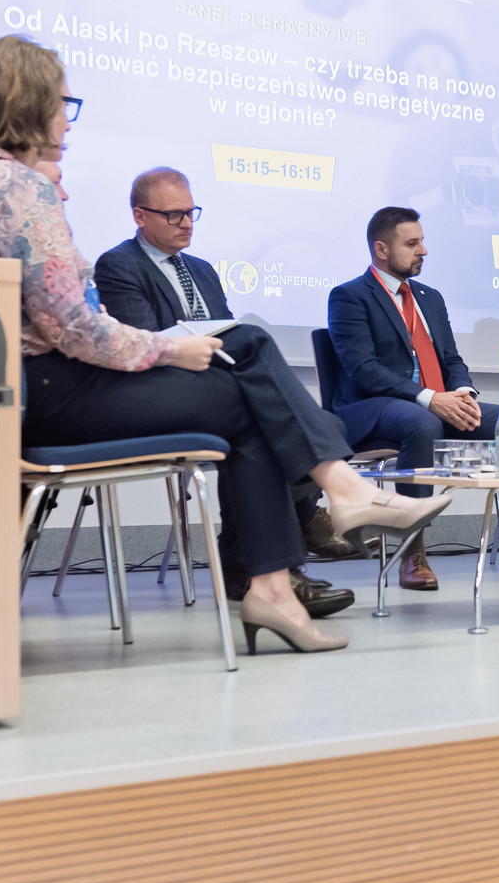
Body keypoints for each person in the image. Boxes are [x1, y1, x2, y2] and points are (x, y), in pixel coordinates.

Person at [0, 34, 452, 655]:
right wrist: (172, 351)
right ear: (31, 102)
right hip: (54, 392)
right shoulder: (19, 189)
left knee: (248, 373)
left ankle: (297, 555)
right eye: (64, 103)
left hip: (16, 394)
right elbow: (76, 329)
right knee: (250, 375)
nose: (67, 118)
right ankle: (319, 523)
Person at [92, 167, 360, 617]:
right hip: (162, 391)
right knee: (271, 422)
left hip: (217, 387)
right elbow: (146, 343)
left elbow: (225, 335)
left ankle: (255, 567)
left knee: (321, 423)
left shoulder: (202, 270)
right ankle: (285, 553)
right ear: (140, 215)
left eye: (191, 212)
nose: (186, 223)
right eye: (173, 215)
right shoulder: (119, 265)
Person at [326, 207, 499, 589]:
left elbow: (451, 360)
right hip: (372, 406)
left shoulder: (429, 298)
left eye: (422, 241)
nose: (423, 250)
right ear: (381, 249)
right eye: (412, 243)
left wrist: (463, 393)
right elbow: (365, 370)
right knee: (421, 422)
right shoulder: (350, 296)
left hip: (437, 402)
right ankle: (412, 553)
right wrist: (431, 398)